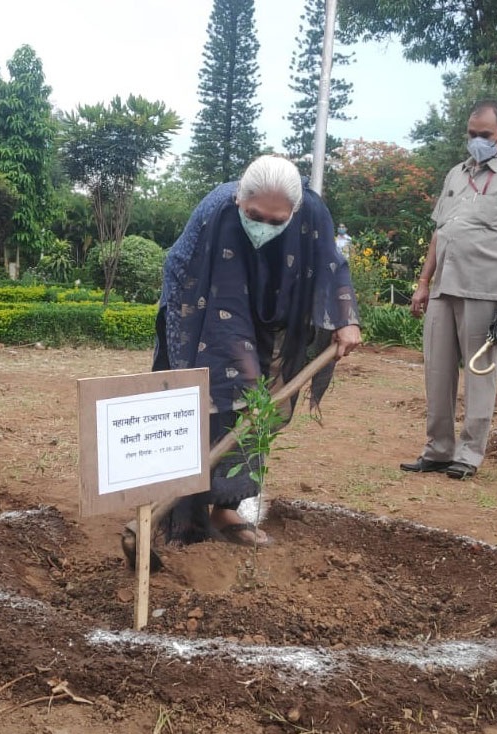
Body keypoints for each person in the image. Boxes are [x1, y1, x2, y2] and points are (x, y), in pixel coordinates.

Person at [153, 155, 362, 546]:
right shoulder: (217, 213)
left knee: (258, 412)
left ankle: (227, 506)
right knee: (215, 402)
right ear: (238, 201)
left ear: (294, 211)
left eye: (276, 221)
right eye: (255, 215)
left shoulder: (311, 213)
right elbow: (214, 305)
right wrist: (244, 378)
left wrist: (345, 317)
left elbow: (330, 264)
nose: (264, 226)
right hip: (203, 305)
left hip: (275, 313)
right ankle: (185, 517)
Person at [401, 99, 497, 480]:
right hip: (444, 287)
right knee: (437, 372)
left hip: (486, 290)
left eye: (486, 135)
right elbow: (439, 232)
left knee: (480, 374)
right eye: (472, 134)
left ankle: (469, 454)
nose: (477, 141)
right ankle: (438, 449)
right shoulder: (455, 175)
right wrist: (424, 282)